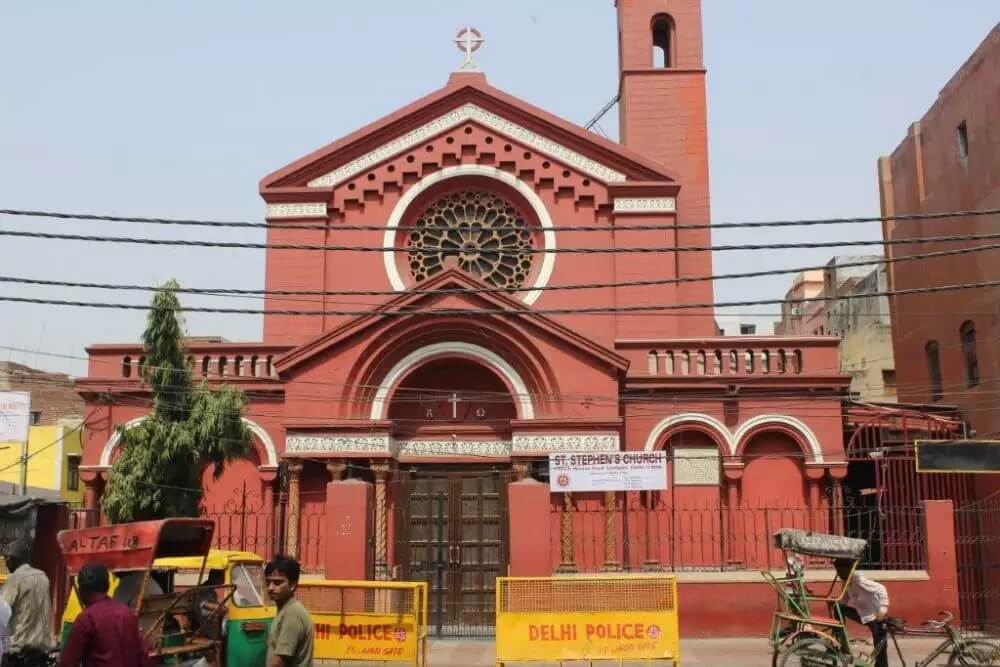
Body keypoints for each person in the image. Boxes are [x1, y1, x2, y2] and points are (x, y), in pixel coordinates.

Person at [59, 562, 152, 667]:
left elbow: (68, 662)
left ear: (82, 590)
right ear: (107, 586)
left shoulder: (86, 619)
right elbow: (143, 657)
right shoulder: (128, 613)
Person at [2, 540, 51, 667]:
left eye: (6, 559)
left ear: (12, 558)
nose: (6, 564)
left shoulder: (14, 580)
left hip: (19, 653)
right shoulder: (42, 576)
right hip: (41, 651)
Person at [834, 558, 891, 667]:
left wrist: (883, 609)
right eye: (838, 570)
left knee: (879, 647)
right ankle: (840, 637)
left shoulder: (858, 580)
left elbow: (881, 588)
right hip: (862, 615)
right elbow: (845, 598)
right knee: (839, 608)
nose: (839, 573)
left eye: (841, 570)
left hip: (875, 616)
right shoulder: (846, 582)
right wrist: (837, 603)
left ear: (848, 570)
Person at [264, 555, 313, 667]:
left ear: (292, 585)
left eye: (277, 583)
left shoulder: (292, 613)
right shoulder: (285, 610)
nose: (270, 587)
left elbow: (278, 662)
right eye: (268, 582)